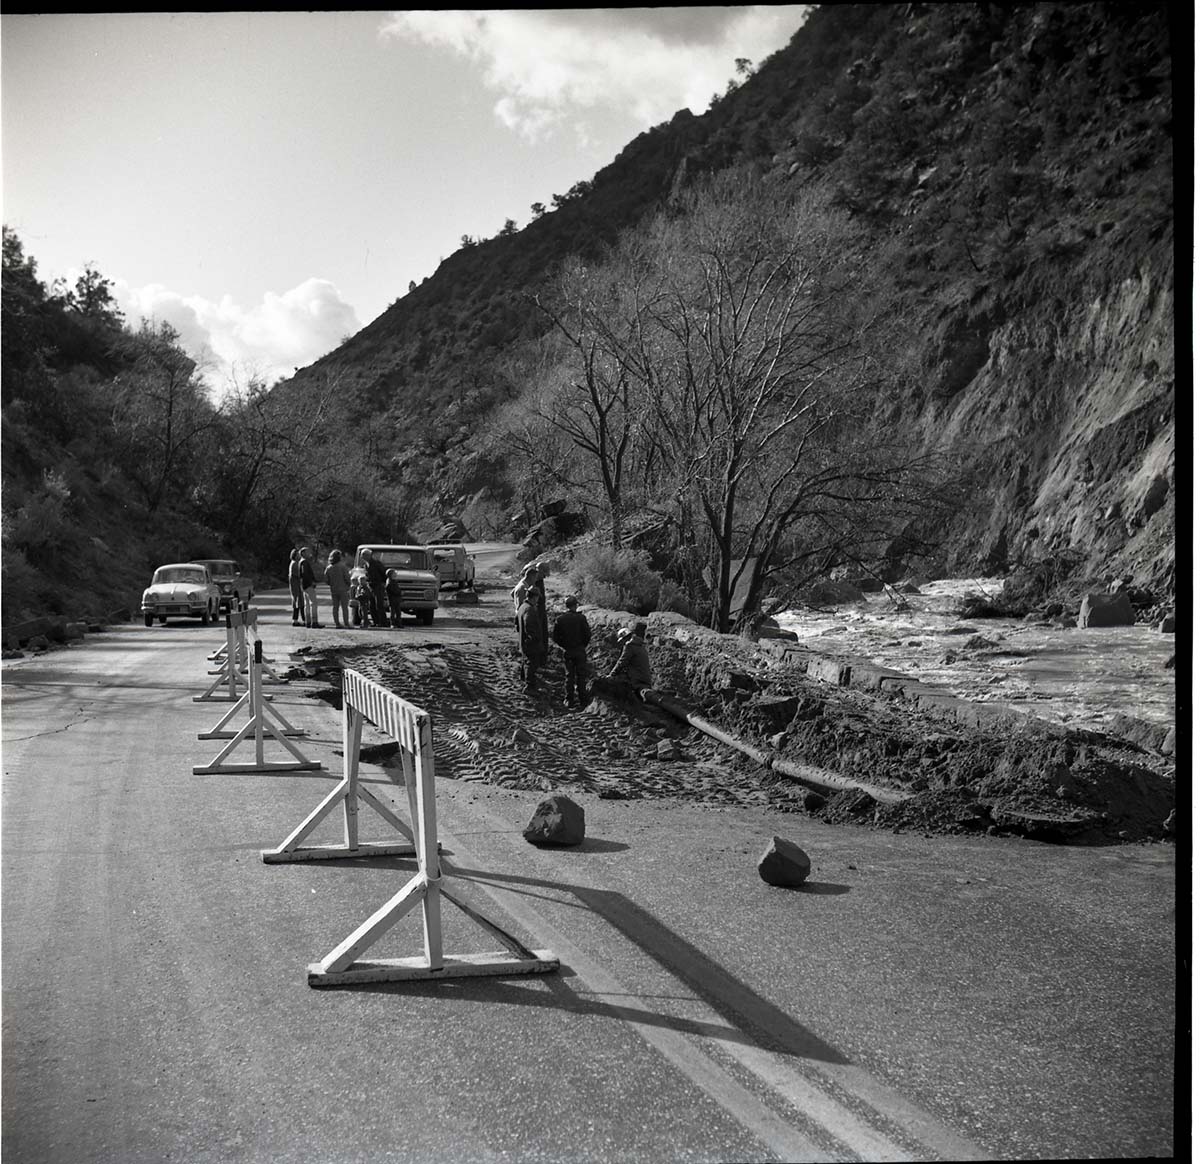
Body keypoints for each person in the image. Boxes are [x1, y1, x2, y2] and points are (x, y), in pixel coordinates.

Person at [552, 595, 592, 708]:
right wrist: (582, 645)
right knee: (581, 676)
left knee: (569, 676)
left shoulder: (560, 619)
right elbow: (587, 635)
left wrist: (564, 645)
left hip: (568, 651)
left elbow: (555, 637)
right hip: (579, 650)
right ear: (575, 605)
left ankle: (569, 700)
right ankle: (583, 700)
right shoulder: (581, 618)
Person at [597, 621, 652, 701]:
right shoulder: (641, 645)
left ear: (625, 638)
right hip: (646, 680)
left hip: (637, 680)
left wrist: (611, 675)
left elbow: (621, 662)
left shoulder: (629, 646)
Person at [517, 593, 544, 693]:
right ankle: (529, 687)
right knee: (531, 663)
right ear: (534, 597)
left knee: (526, 661)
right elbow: (529, 626)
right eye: (537, 597)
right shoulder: (529, 609)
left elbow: (516, 623)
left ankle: (524, 679)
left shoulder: (522, 607)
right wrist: (533, 639)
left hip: (523, 641)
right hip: (530, 643)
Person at [324, 549, 351, 629]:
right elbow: (347, 578)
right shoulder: (342, 566)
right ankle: (346, 623)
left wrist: (331, 584)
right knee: (344, 607)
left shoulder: (329, 568)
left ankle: (337, 623)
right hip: (343, 589)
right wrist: (348, 584)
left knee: (335, 607)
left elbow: (326, 580)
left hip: (334, 589)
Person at [362, 549, 388, 628]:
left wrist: (383, 583)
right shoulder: (366, 565)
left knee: (379, 605)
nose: (362, 557)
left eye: (364, 555)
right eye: (362, 555)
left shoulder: (377, 564)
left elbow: (384, 573)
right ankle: (376, 621)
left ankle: (383, 622)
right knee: (371, 605)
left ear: (369, 555)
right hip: (371, 586)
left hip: (378, 585)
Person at [299, 546, 322, 628]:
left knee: (307, 604)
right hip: (308, 585)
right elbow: (305, 574)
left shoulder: (301, 562)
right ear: (303, 553)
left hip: (304, 585)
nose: (309, 553)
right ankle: (314, 621)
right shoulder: (304, 562)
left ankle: (308, 622)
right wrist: (311, 582)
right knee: (313, 603)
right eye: (307, 552)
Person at [288, 548, 303, 626]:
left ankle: (296, 620)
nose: (299, 555)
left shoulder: (293, 563)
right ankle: (295, 620)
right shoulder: (295, 564)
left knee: (297, 603)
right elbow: (299, 575)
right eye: (297, 554)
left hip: (295, 586)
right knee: (298, 603)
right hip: (295, 587)